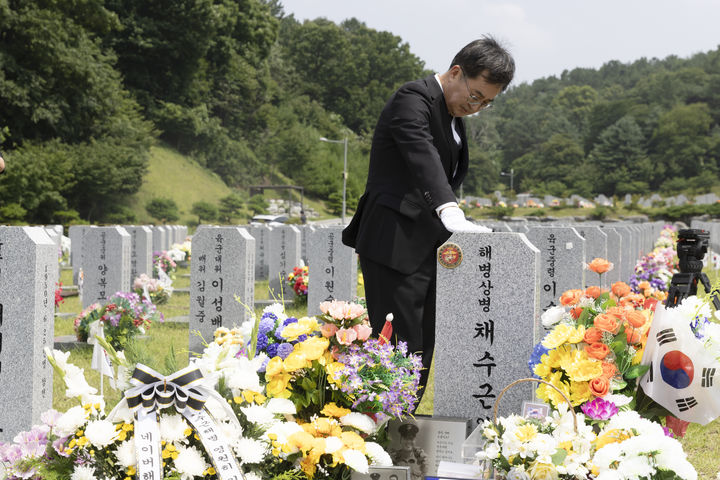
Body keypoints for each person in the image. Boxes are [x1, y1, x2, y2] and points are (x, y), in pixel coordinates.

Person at [342, 36, 515, 395]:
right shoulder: (412, 99)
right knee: (397, 343)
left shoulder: (452, 114)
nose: (478, 107)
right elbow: (423, 157)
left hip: (426, 245)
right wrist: (449, 208)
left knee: (421, 342)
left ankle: (404, 424)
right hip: (393, 243)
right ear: (456, 72)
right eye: (475, 96)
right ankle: (384, 427)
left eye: (487, 103)